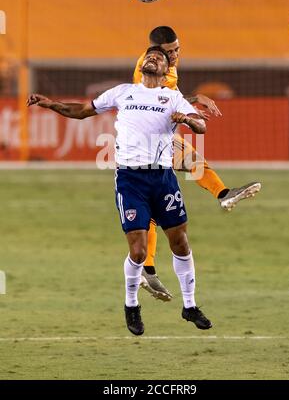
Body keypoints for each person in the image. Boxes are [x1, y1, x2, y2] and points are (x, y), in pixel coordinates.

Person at [27, 45, 212, 336]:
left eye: (160, 57)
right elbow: (83, 110)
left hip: (163, 178)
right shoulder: (123, 91)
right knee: (138, 251)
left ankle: (189, 306)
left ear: (166, 71)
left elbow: (201, 126)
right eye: (149, 55)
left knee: (181, 243)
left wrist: (187, 119)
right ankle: (131, 305)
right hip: (130, 179)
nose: (153, 58)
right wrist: (51, 104)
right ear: (142, 65)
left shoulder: (173, 97)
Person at [134, 26, 261, 302]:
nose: (176, 54)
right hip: (146, 142)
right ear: (156, 52)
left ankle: (148, 268)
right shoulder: (150, 67)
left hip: (156, 139)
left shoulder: (168, 67)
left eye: (178, 48)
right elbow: (162, 100)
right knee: (190, 164)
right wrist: (196, 100)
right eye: (170, 51)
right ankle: (223, 195)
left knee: (171, 186)